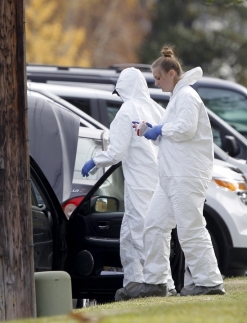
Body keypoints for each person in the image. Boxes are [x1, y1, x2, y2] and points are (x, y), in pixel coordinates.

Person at [127, 46, 225, 298]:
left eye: (158, 78)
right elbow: (174, 134)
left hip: (187, 175)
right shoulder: (176, 99)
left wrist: (159, 129)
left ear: (172, 73)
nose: (156, 84)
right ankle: (156, 281)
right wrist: (152, 131)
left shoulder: (187, 96)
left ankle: (210, 282)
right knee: (154, 225)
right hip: (170, 177)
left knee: (190, 228)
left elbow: (186, 129)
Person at [81, 67, 176, 300]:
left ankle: (159, 285)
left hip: (140, 183)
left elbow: (116, 152)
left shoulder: (126, 112)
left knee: (142, 234)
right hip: (161, 180)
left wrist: (94, 160)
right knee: (142, 233)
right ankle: (135, 282)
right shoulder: (157, 109)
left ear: (123, 89)